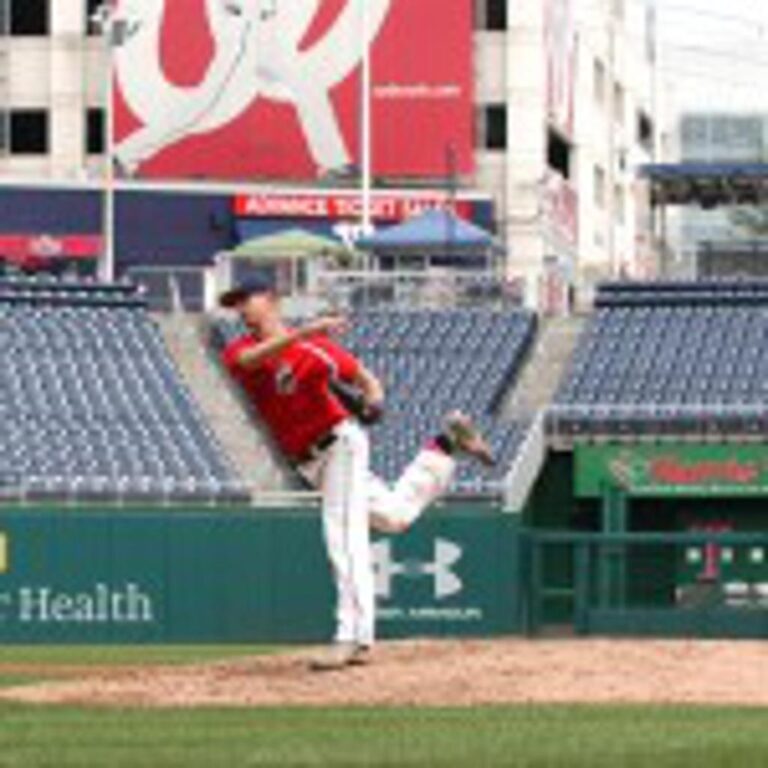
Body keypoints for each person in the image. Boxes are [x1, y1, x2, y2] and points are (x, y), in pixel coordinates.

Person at [219, 276, 495, 670]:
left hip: (339, 446)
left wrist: (374, 402)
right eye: (236, 303)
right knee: (394, 517)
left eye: (247, 298)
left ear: (272, 301)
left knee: (342, 536)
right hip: (310, 461)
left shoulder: (318, 349)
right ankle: (446, 445)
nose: (241, 308)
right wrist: (304, 332)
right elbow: (251, 361)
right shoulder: (241, 349)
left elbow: (366, 379)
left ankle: (352, 636)